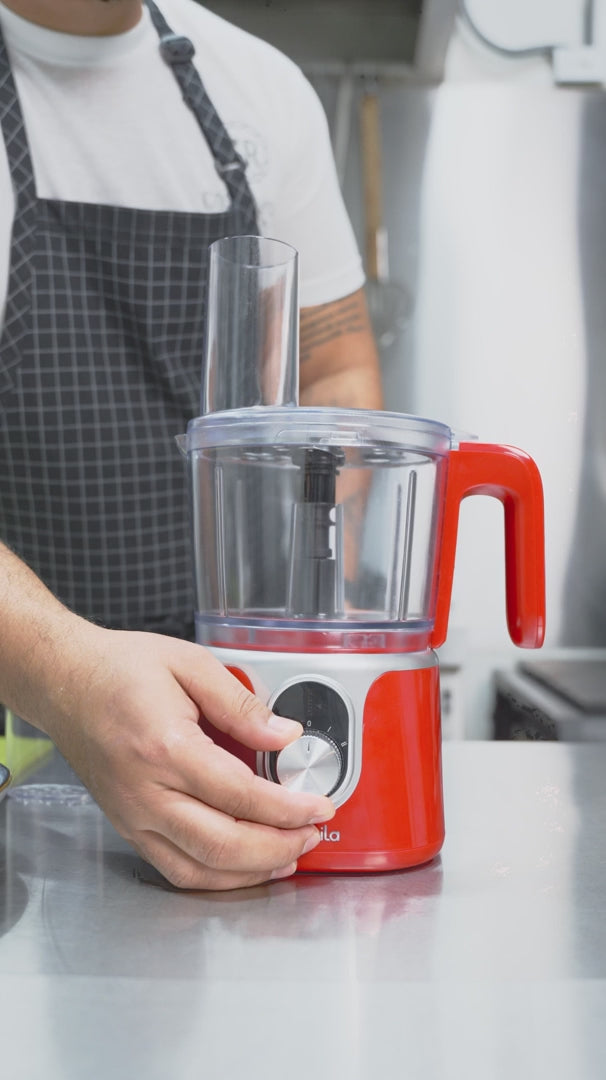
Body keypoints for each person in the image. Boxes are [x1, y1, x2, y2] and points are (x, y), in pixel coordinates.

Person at [0, 0, 383, 890]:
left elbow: (335, 367)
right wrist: (68, 676)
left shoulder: (260, 91)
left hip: (231, 727)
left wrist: (305, 638)